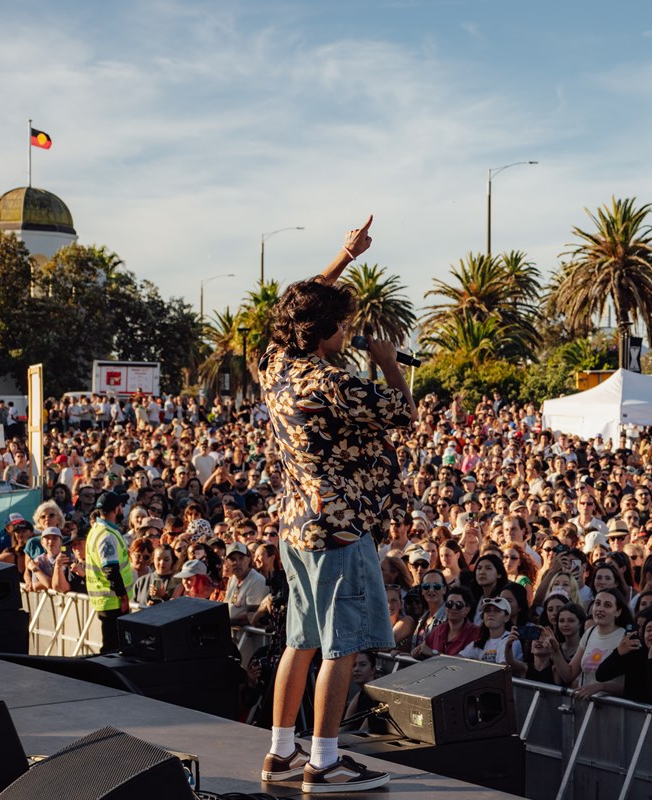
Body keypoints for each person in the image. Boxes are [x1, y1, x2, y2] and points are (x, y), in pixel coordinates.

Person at [257, 214, 410, 792]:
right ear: (322, 331)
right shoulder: (329, 382)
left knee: (301, 639)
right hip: (339, 529)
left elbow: (291, 315)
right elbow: (402, 414)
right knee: (340, 646)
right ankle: (323, 761)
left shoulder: (277, 366)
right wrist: (390, 362)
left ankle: (279, 753)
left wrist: (344, 258)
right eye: (341, 326)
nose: (346, 334)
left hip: (296, 525)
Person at [83, 491, 130, 651]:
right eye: (121, 506)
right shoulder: (106, 535)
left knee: (112, 646)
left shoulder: (97, 529)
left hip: (107, 600)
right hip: (112, 601)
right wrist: (122, 595)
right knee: (112, 649)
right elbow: (110, 569)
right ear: (116, 509)